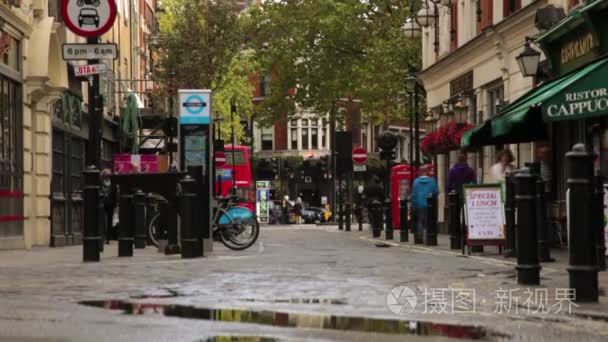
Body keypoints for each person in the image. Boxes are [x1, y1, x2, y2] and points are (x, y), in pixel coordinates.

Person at [411, 165, 438, 241]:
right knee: (429, 222)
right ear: (427, 172)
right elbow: (435, 192)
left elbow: (414, 195)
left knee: (420, 221)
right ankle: (428, 238)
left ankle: (420, 238)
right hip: (430, 205)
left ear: (420, 172)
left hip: (419, 204)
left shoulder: (416, 182)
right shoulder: (432, 181)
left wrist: (414, 204)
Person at [100, 169, 117, 244]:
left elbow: (115, 194)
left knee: (109, 221)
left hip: (111, 204)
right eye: (106, 175)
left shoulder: (113, 183)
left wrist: (116, 205)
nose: (107, 176)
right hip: (102, 204)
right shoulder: (100, 183)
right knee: (103, 220)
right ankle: (103, 236)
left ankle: (108, 238)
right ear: (103, 175)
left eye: (109, 175)